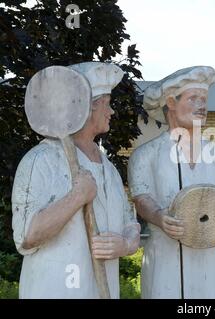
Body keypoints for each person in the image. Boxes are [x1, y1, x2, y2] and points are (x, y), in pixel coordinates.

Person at [11, 62, 140, 298]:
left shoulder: (109, 168)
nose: (111, 112)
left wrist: (127, 243)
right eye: (107, 104)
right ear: (86, 108)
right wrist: (77, 197)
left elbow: (129, 221)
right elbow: (27, 236)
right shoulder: (41, 160)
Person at [128, 66, 215, 299]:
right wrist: (159, 216)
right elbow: (141, 198)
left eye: (204, 99)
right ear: (171, 102)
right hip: (164, 262)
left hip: (207, 264)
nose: (202, 105)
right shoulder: (145, 155)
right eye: (193, 98)